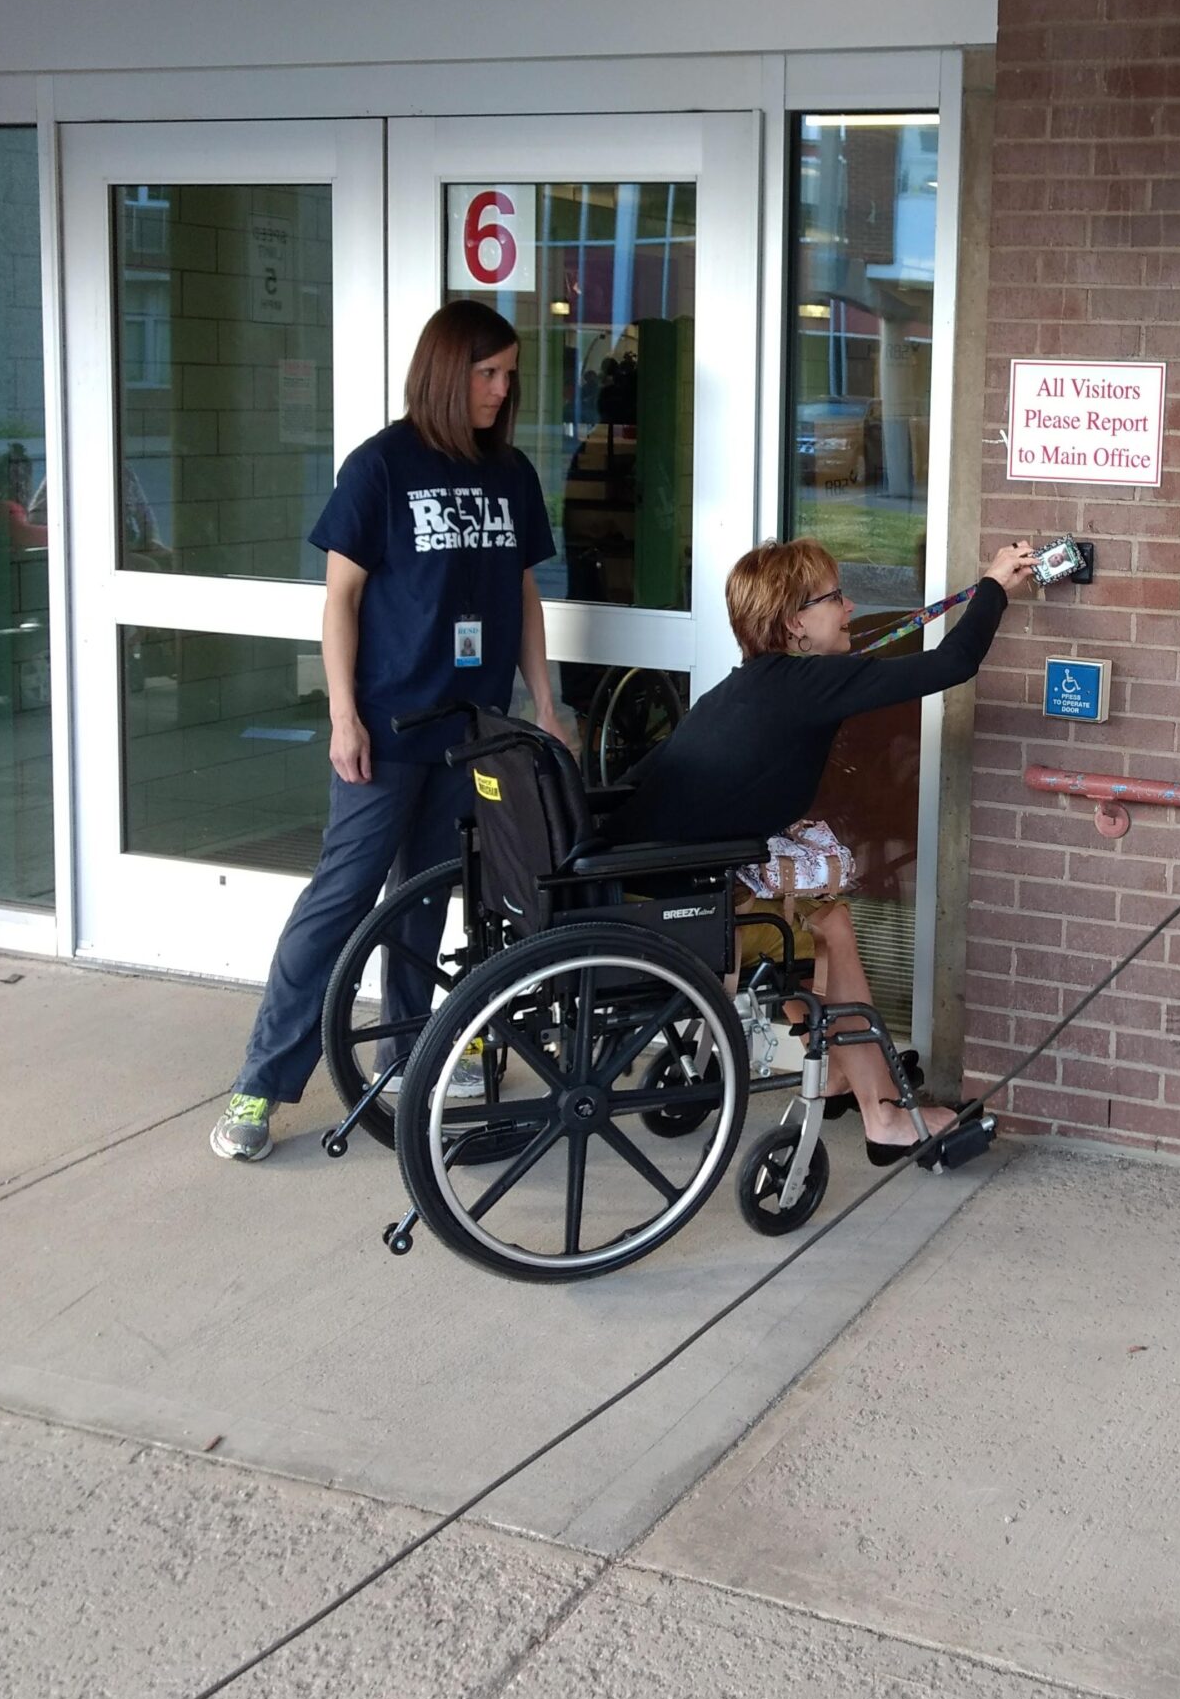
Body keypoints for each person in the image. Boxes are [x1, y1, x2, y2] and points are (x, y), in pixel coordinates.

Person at [209, 300, 565, 1163]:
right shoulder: (381, 465)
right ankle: (262, 1083)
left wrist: (545, 704)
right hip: (383, 728)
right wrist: (341, 714)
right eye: (487, 373)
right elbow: (340, 600)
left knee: (427, 899)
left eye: (509, 374)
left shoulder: (510, 471)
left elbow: (520, 595)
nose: (500, 389)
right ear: (447, 372)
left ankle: (413, 1055)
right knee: (343, 898)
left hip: (469, 731)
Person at [621, 535, 1038, 1156]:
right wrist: (996, 586)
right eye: (835, 598)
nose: (849, 609)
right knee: (828, 923)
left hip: (648, 881)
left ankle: (848, 1076)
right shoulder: (806, 685)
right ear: (795, 624)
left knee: (826, 914)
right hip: (682, 908)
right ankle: (883, 1114)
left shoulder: (743, 688)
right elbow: (952, 665)